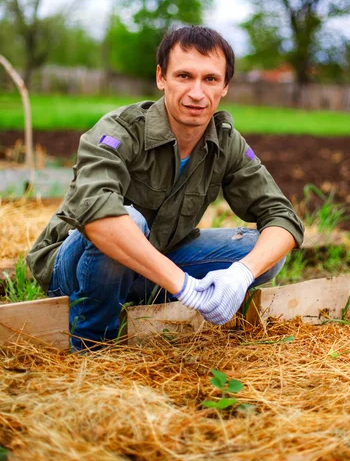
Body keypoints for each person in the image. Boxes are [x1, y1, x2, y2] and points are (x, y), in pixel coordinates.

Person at [26, 26, 304, 350]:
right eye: (184, 76)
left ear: (225, 86)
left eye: (210, 79)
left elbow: (282, 217)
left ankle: (138, 300)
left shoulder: (226, 141)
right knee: (128, 219)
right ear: (162, 78)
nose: (197, 93)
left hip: (151, 266)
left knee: (263, 254)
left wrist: (242, 273)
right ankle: (92, 344)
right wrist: (183, 285)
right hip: (73, 270)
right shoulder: (121, 129)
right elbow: (95, 214)